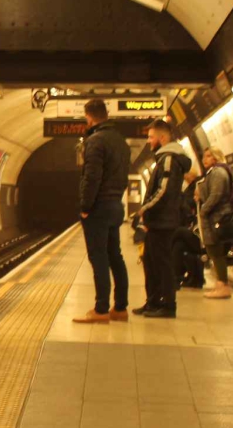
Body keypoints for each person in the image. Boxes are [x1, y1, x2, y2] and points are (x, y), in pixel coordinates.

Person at [73, 98, 131, 324]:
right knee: (115, 256)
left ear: (89, 117)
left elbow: (92, 177)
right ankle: (121, 308)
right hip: (116, 204)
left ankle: (101, 310)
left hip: (99, 207)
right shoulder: (121, 141)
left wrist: (86, 207)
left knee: (99, 259)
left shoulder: (95, 141)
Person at [134, 119, 192, 318]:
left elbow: (164, 190)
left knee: (162, 264)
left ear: (163, 137)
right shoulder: (163, 158)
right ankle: (153, 302)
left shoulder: (169, 158)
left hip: (163, 221)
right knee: (150, 261)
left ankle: (168, 305)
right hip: (158, 220)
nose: (149, 141)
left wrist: (144, 209)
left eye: (151, 137)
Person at [196, 147, 233, 299]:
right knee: (214, 252)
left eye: (208, 156)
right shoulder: (214, 172)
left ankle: (223, 285)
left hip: (217, 218)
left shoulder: (218, 172)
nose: (204, 159)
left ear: (215, 157)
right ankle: (220, 284)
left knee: (216, 251)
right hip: (214, 218)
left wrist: (203, 210)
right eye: (203, 156)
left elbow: (216, 195)